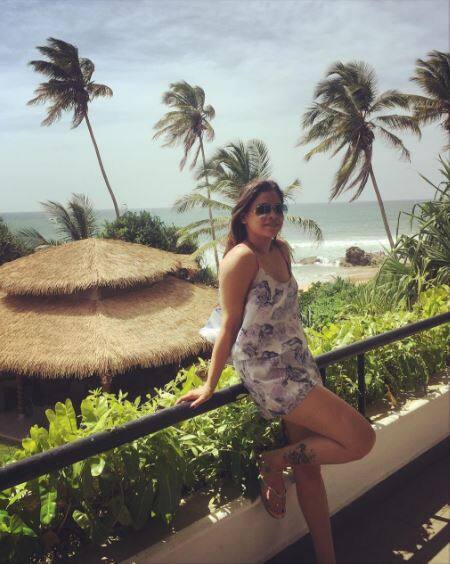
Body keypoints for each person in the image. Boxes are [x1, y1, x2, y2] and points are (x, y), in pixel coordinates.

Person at [175, 178, 376, 564]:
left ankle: (327, 558)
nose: (272, 215)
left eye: (277, 208)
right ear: (245, 216)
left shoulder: (281, 251)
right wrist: (210, 385)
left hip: (299, 362)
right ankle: (274, 460)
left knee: (309, 471)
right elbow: (229, 324)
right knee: (361, 439)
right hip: (270, 374)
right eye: (262, 209)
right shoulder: (241, 259)